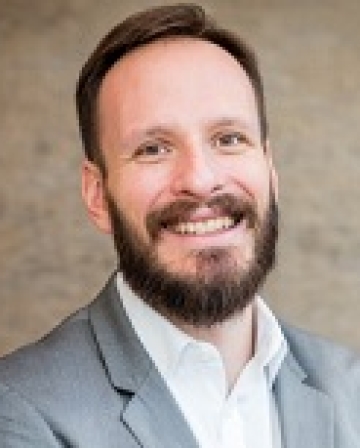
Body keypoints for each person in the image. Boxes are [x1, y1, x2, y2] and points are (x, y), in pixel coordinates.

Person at [0, 3, 359, 447]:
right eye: (154, 148)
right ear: (98, 195)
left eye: (229, 139)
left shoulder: (352, 390)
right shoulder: (20, 414)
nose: (200, 180)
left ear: (269, 167)